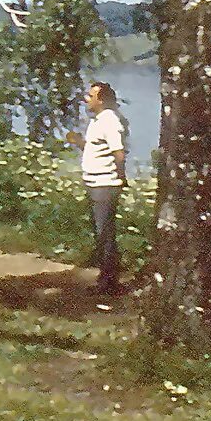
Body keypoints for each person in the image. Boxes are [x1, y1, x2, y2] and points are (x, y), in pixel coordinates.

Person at [71, 81, 127, 297]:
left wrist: (120, 178)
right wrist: (80, 143)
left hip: (105, 184)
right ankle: (107, 277)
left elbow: (118, 152)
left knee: (105, 233)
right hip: (95, 183)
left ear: (101, 100)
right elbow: (97, 149)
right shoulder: (98, 121)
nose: (86, 99)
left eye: (90, 95)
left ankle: (109, 282)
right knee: (102, 232)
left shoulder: (110, 121)